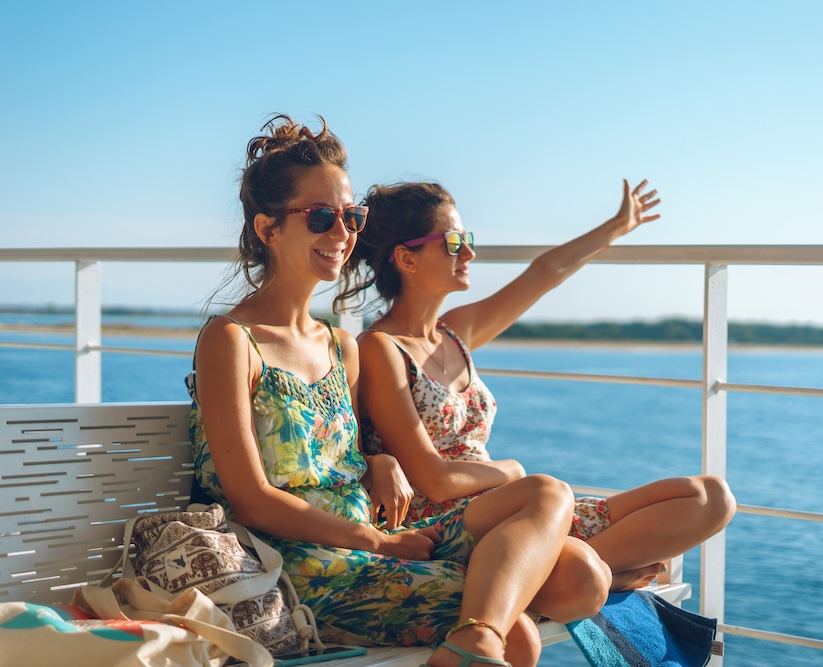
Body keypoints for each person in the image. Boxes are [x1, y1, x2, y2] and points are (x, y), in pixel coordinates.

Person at [188, 115, 610, 667]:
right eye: (321, 218)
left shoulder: (342, 344)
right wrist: (378, 542)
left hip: (375, 541)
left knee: (545, 493)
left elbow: (348, 452)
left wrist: (377, 458)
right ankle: (479, 634)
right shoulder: (231, 341)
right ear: (268, 229)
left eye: (351, 217)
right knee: (521, 633)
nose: (342, 234)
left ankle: (475, 635)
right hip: (303, 567)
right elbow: (250, 499)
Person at [340, 180, 737, 592]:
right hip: (451, 526)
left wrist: (617, 226)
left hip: (520, 509)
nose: (470, 253)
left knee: (710, 497)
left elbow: (545, 274)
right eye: (455, 242)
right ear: (407, 257)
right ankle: (589, 572)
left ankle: (583, 569)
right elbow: (435, 481)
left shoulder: (454, 332)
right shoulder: (379, 348)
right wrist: (511, 470)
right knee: (590, 558)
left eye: (468, 239)